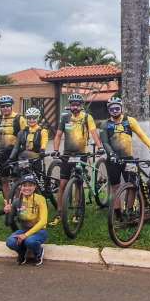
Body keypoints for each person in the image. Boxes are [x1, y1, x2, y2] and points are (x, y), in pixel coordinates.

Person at [50, 93, 103, 226]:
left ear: (81, 105)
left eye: (77, 105)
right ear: (70, 106)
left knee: (78, 184)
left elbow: (94, 133)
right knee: (62, 184)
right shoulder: (65, 117)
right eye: (72, 105)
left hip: (81, 154)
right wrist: (56, 150)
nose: (75, 107)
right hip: (67, 154)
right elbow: (58, 135)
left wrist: (100, 146)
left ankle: (76, 213)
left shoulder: (87, 117)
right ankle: (59, 213)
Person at [101, 96, 150, 211]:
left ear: (121, 108)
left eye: (117, 108)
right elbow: (105, 142)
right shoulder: (105, 124)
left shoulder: (129, 121)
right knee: (115, 187)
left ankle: (129, 210)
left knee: (132, 186)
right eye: (112, 109)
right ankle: (117, 214)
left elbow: (142, 135)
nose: (114, 111)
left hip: (128, 159)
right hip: (113, 160)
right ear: (108, 110)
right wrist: (112, 154)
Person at [4, 174, 48, 266]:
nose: (27, 188)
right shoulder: (17, 201)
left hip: (40, 231)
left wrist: (25, 235)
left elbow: (43, 221)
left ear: (35, 187)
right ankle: (22, 252)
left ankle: (38, 252)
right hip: (24, 230)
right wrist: (8, 212)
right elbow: (8, 223)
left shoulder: (40, 199)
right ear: (21, 187)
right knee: (10, 242)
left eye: (30, 185)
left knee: (30, 241)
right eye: (24, 185)